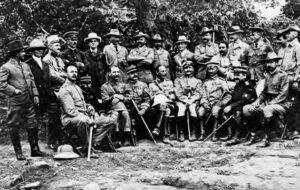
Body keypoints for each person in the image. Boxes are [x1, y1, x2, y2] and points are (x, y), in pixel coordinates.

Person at [58, 64, 118, 157]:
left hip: (82, 115)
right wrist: (85, 117)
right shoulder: (64, 90)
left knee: (110, 121)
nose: (74, 74)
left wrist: (88, 107)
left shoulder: (76, 87)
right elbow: (70, 111)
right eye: (71, 72)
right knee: (84, 121)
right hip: (70, 119)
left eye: (75, 72)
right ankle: (87, 149)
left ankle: (93, 142)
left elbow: (81, 104)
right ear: (66, 74)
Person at [0, 40, 45, 160]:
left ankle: (34, 150)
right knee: (14, 126)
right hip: (15, 101)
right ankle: (18, 152)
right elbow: (1, 84)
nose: (24, 53)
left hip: (28, 100)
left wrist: (35, 95)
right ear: (15, 53)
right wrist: (13, 91)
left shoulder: (25, 65)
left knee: (32, 124)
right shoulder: (6, 67)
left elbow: (32, 81)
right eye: (21, 51)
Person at [243, 52, 290, 147]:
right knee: (247, 109)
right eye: (267, 62)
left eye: (272, 62)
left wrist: (270, 103)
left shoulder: (283, 75)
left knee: (267, 109)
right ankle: (253, 135)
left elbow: (283, 94)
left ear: (277, 63)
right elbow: (264, 93)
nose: (269, 64)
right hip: (268, 102)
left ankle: (266, 138)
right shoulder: (267, 75)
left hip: (281, 104)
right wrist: (256, 102)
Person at [222, 66, 257, 146]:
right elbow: (235, 98)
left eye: (238, 75)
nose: (235, 77)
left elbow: (245, 100)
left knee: (237, 113)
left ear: (244, 75)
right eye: (235, 74)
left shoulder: (248, 85)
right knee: (223, 110)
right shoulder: (238, 84)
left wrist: (231, 106)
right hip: (238, 105)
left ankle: (237, 137)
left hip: (247, 106)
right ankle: (230, 134)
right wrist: (227, 105)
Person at [174, 61, 208, 142]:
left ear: (193, 69)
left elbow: (199, 93)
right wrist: (185, 94)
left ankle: (193, 132)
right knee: (181, 110)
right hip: (181, 101)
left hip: (193, 101)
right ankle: (181, 133)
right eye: (186, 68)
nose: (188, 70)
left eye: (190, 67)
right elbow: (178, 93)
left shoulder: (198, 81)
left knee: (193, 111)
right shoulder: (178, 80)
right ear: (183, 69)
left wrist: (191, 101)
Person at [43, 34, 65, 150]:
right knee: (53, 116)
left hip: (61, 90)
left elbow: (63, 71)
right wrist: (63, 77)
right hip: (52, 91)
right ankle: (50, 141)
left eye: (59, 45)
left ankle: (60, 139)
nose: (59, 47)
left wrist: (62, 75)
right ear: (50, 46)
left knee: (61, 115)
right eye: (56, 45)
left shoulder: (59, 59)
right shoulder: (47, 59)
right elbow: (51, 75)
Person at [101, 66, 133, 146]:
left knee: (125, 114)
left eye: (118, 72)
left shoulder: (124, 85)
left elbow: (130, 97)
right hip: (110, 108)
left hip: (124, 107)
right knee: (117, 114)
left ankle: (126, 137)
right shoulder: (105, 86)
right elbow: (104, 101)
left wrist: (123, 98)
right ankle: (117, 139)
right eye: (114, 72)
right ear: (109, 74)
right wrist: (113, 96)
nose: (116, 74)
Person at [201, 60, 232, 141]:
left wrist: (220, 104)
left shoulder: (221, 81)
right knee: (200, 113)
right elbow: (203, 95)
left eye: (213, 69)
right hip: (208, 103)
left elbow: (228, 95)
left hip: (218, 103)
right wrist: (204, 103)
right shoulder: (206, 82)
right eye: (209, 69)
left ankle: (214, 133)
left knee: (215, 112)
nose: (211, 71)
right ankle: (202, 132)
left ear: (217, 70)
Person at [280, 25, 300, 137]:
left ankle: (296, 130)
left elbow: (299, 65)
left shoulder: (297, 47)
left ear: (296, 34)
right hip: (285, 79)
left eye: (289, 32)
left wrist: (297, 79)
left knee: (295, 105)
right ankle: (289, 129)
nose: (286, 34)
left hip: (293, 79)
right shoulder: (287, 47)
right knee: (287, 105)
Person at [149, 65, 177, 143]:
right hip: (156, 106)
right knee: (166, 110)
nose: (165, 73)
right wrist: (157, 94)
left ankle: (157, 128)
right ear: (157, 72)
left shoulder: (170, 82)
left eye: (165, 71)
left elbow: (173, 97)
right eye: (162, 71)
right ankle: (166, 136)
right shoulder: (152, 84)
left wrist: (167, 95)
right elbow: (150, 98)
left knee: (165, 106)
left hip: (169, 104)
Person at [25, 38, 50, 116]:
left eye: (41, 49)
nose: (40, 51)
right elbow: (28, 82)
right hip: (35, 96)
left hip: (46, 95)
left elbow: (48, 79)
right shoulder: (27, 64)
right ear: (32, 51)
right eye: (37, 49)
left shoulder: (45, 64)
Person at [126, 65, 151, 140]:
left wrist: (143, 109)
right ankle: (129, 137)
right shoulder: (124, 85)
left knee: (151, 111)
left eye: (136, 72)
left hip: (141, 107)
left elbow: (147, 99)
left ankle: (146, 134)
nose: (135, 74)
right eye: (132, 73)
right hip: (129, 108)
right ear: (128, 75)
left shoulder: (143, 85)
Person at [84, 32, 107, 110]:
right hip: (90, 81)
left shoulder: (102, 55)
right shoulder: (85, 55)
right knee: (92, 99)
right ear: (88, 43)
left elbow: (106, 68)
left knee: (102, 99)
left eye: (95, 41)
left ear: (98, 42)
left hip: (101, 81)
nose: (93, 43)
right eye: (91, 41)